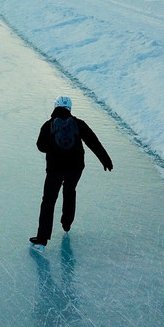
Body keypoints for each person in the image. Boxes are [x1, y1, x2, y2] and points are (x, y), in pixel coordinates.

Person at [29, 95, 112, 247]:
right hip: (76, 167)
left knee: (48, 201)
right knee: (69, 191)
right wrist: (105, 159)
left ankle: (42, 239)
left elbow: (40, 146)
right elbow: (93, 141)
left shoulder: (48, 125)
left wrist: (53, 147)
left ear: (55, 107)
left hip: (55, 169)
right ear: (70, 108)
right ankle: (66, 224)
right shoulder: (79, 123)